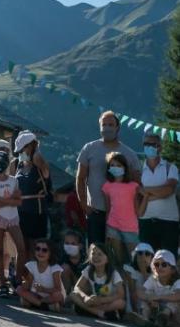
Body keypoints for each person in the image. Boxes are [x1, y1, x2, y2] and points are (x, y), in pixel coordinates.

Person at [76, 111, 141, 244]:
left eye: (110, 124)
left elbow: (138, 185)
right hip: (96, 212)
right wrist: (84, 205)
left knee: (118, 255)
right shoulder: (89, 149)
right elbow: (80, 178)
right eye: (104, 124)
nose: (107, 128)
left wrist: (135, 211)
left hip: (122, 214)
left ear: (117, 127)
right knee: (97, 251)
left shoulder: (130, 154)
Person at [0, 149, 26, 297]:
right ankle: (2, 283)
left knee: (21, 248)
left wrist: (1, 199)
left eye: (1, 163)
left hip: (12, 217)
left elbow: (18, 201)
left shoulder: (13, 181)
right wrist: (9, 201)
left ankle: (17, 280)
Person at [137, 132, 179, 253]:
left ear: (159, 147)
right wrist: (159, 192)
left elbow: (169, 190)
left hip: (169, 222)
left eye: (152, 144)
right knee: (147, 263)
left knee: (169, 260)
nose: (149, 146)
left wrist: (145, 193)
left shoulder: (170, 167)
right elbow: (137, 196)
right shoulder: (139, 171)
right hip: (146, 222)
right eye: (146, 144)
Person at [101, 152, 143, 266]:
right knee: (118, 260)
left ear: (125, 167)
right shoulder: (107, 186)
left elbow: (140, 205)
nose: (115, 168)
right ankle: (122, 282)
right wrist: (107, 229)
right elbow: (108, 208)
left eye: (119, 165)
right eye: (112, 165)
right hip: (113, 226)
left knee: (134, 259)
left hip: (131, 227)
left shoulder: (134, 186)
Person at [14, 130, 50, 259]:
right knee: (21, 245)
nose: (21, 151)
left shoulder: (37, 158)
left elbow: (46, 174)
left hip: (36, 210)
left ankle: (33, 276)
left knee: (35, 245)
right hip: (21, 210)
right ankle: (23, 274)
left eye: (24, 147)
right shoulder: (19, 164)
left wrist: (37, 157)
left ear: (31, 145)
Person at [69, 241, 126, 320]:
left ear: (107, 259)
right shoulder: (88, 269)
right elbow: (77, 287)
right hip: (94, 301)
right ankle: (98, 313)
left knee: (121, 303)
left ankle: (91, 311)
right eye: (93, 254)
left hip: (107, 302)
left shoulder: (114, 273)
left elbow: (121, 294)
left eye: (100, 254)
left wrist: (102, 300)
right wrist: (85, 297)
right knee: (73, 294)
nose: (96, 257)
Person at [16, 239, 65, 311]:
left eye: (44, 250)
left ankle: (35, 303)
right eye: (38, 249)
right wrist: (24, 283)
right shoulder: (31, 265)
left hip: (51, 296)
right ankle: (44, 306)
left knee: (58, 295)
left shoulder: (55, 268)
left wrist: (43, 289)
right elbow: (28, 285)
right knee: (19, 289)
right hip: (37, 295)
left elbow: (58, 289)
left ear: (50, 253)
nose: (40, 252)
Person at [137, 249, 180, 327]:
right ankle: (145, 319)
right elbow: (140, 292)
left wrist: (159, 297)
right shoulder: (153, 279)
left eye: (164, 264)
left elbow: (178, 295)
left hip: (174, 315)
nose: (160, 267)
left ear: (172, 269)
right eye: (156, 264)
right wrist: (149, 298)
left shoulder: (177, 282)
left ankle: (163, 317)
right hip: (156, 308)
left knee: (175, 302)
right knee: (147, 295)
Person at [123, 241, 154, 319]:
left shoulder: (155, 273)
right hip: (133, 305)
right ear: (135, 256)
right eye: (140, 253)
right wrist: (135, 311)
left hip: (148, 304)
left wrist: (143, 270)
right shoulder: (128, 269)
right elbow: (132, 292)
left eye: (147, 254)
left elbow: (153, 289)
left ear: (152, 258)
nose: (143, 256)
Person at [60, 229, 86, 295]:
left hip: (85, 290)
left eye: (73, 243)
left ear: (80, 246)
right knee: (64, 268)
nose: (69, 246)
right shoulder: (61, 259)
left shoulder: (87, 259)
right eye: (67, 243)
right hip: (69, 291)